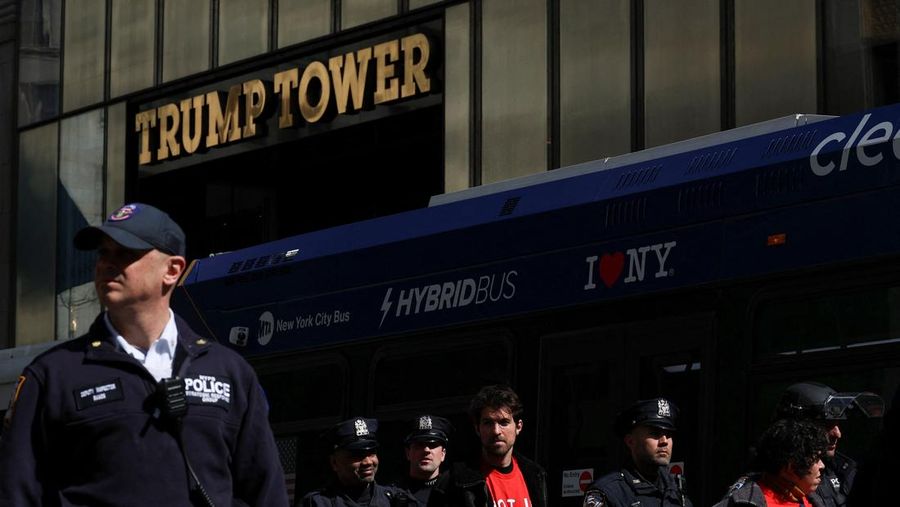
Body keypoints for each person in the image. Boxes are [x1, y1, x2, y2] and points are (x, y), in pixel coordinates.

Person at [0, 203, 289, 506]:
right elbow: (16, 490)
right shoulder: (53, 374)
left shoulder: (229, 371)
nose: (107, 264)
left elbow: (265, 489)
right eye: (103, 253)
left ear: (172, 270)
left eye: (125, 253)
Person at [773, 381, 883, 507]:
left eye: (838, 424)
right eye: (827, 425)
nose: (837, 434)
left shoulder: (843, 469)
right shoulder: (766, 485)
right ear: (798, 428)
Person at [443, 384, 548, 507]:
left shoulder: (536, 476)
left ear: (518, 427)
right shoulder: (455, 481)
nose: (496, 431)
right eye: (488, 423)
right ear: (477, 428)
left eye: (504, 422)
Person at [583, 397, 692, 507]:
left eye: (668, 435)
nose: (664, 441)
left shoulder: (675, 488)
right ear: (630, 441)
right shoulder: (608, 492)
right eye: (655, 433)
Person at [302, 417, 415, 507]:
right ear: (334, 463)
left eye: (371, 453)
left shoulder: (396, 500)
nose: (367, 462)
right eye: (357, 455)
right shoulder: (317, 503)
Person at [713, 419, 828, 507]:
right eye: (816, 459)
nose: (822, 466)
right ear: (790, 467)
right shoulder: (747, 501)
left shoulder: (811, 498)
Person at [399, 414, 454, 506]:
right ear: (408, 453)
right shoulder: (390, 495)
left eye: (433, 445)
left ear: (443, 454)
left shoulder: (455, 494)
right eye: (419, 445)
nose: (426, 450)